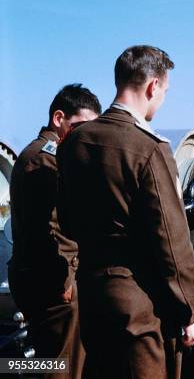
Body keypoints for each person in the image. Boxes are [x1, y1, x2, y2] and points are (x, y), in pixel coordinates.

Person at [57, 45, 194, 379]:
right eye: (164, 91)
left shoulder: (75, 143)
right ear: (153, 86)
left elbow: (64, 219)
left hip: (91, 294)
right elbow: (171, 236)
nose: (163, 98)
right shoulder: (149, 147)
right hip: (138, 299)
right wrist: (189, 310)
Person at [8, 83, 101, 379]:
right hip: (55, 281)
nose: (85, 136)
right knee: (64, 366)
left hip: (43, 276)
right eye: (80, 127)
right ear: (58, 118)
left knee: (52, 361)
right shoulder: (46, 159)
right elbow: (53, 226)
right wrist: (69, 276)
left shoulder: (41, 154)